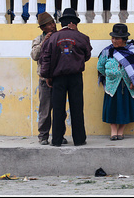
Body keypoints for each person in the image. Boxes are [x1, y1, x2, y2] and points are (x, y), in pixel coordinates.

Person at [40, 8, 92, 147]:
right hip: (75, 77)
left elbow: (46, 58)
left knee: (58, 110)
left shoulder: (52, 38)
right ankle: (79, 139)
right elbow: (87, 55)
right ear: (73, 22)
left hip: (58, 78)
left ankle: (56, 140)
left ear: (62, 22)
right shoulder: (82, 37)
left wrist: (47, 76)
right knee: (77, 108)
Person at [97, 23, 134, 141]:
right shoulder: (107, 51)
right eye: (113, 38)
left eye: (117, 38)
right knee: (112, 109)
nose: (114, 41)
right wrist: (110, 76)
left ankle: (121, 131)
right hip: (112, 86)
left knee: (126, 108)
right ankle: (113, 130)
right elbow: (100, 66)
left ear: (124, 39)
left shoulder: (133, 51)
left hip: (127, 86)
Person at [30, 12, 67, 146]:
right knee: (45, 109)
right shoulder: (38, 39)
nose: (52, 26)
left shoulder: (60, 37)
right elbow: (34, 56)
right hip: (44, 79)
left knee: (60, 110)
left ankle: (59, 134)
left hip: (58, 78)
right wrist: (45, 42)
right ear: (43, 28)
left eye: (53, 23)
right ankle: (43, 135)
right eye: (49, 24)